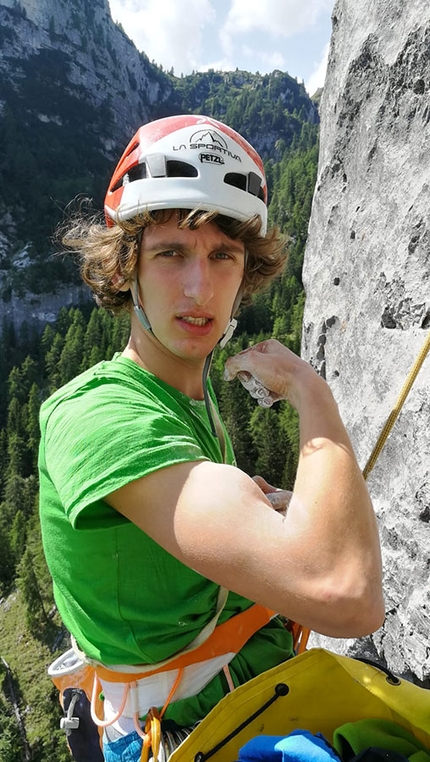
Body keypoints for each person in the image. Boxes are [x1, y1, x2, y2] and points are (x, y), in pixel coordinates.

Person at [38, 114, 384, 762]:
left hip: (255, 707)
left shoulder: (190, 398)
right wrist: (312, 392)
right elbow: (346, 593)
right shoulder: (98, 416)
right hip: (183, 738)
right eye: (171, 253)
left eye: (223, 255)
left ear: (245, 271)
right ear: (126, 268)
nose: (200, 287)